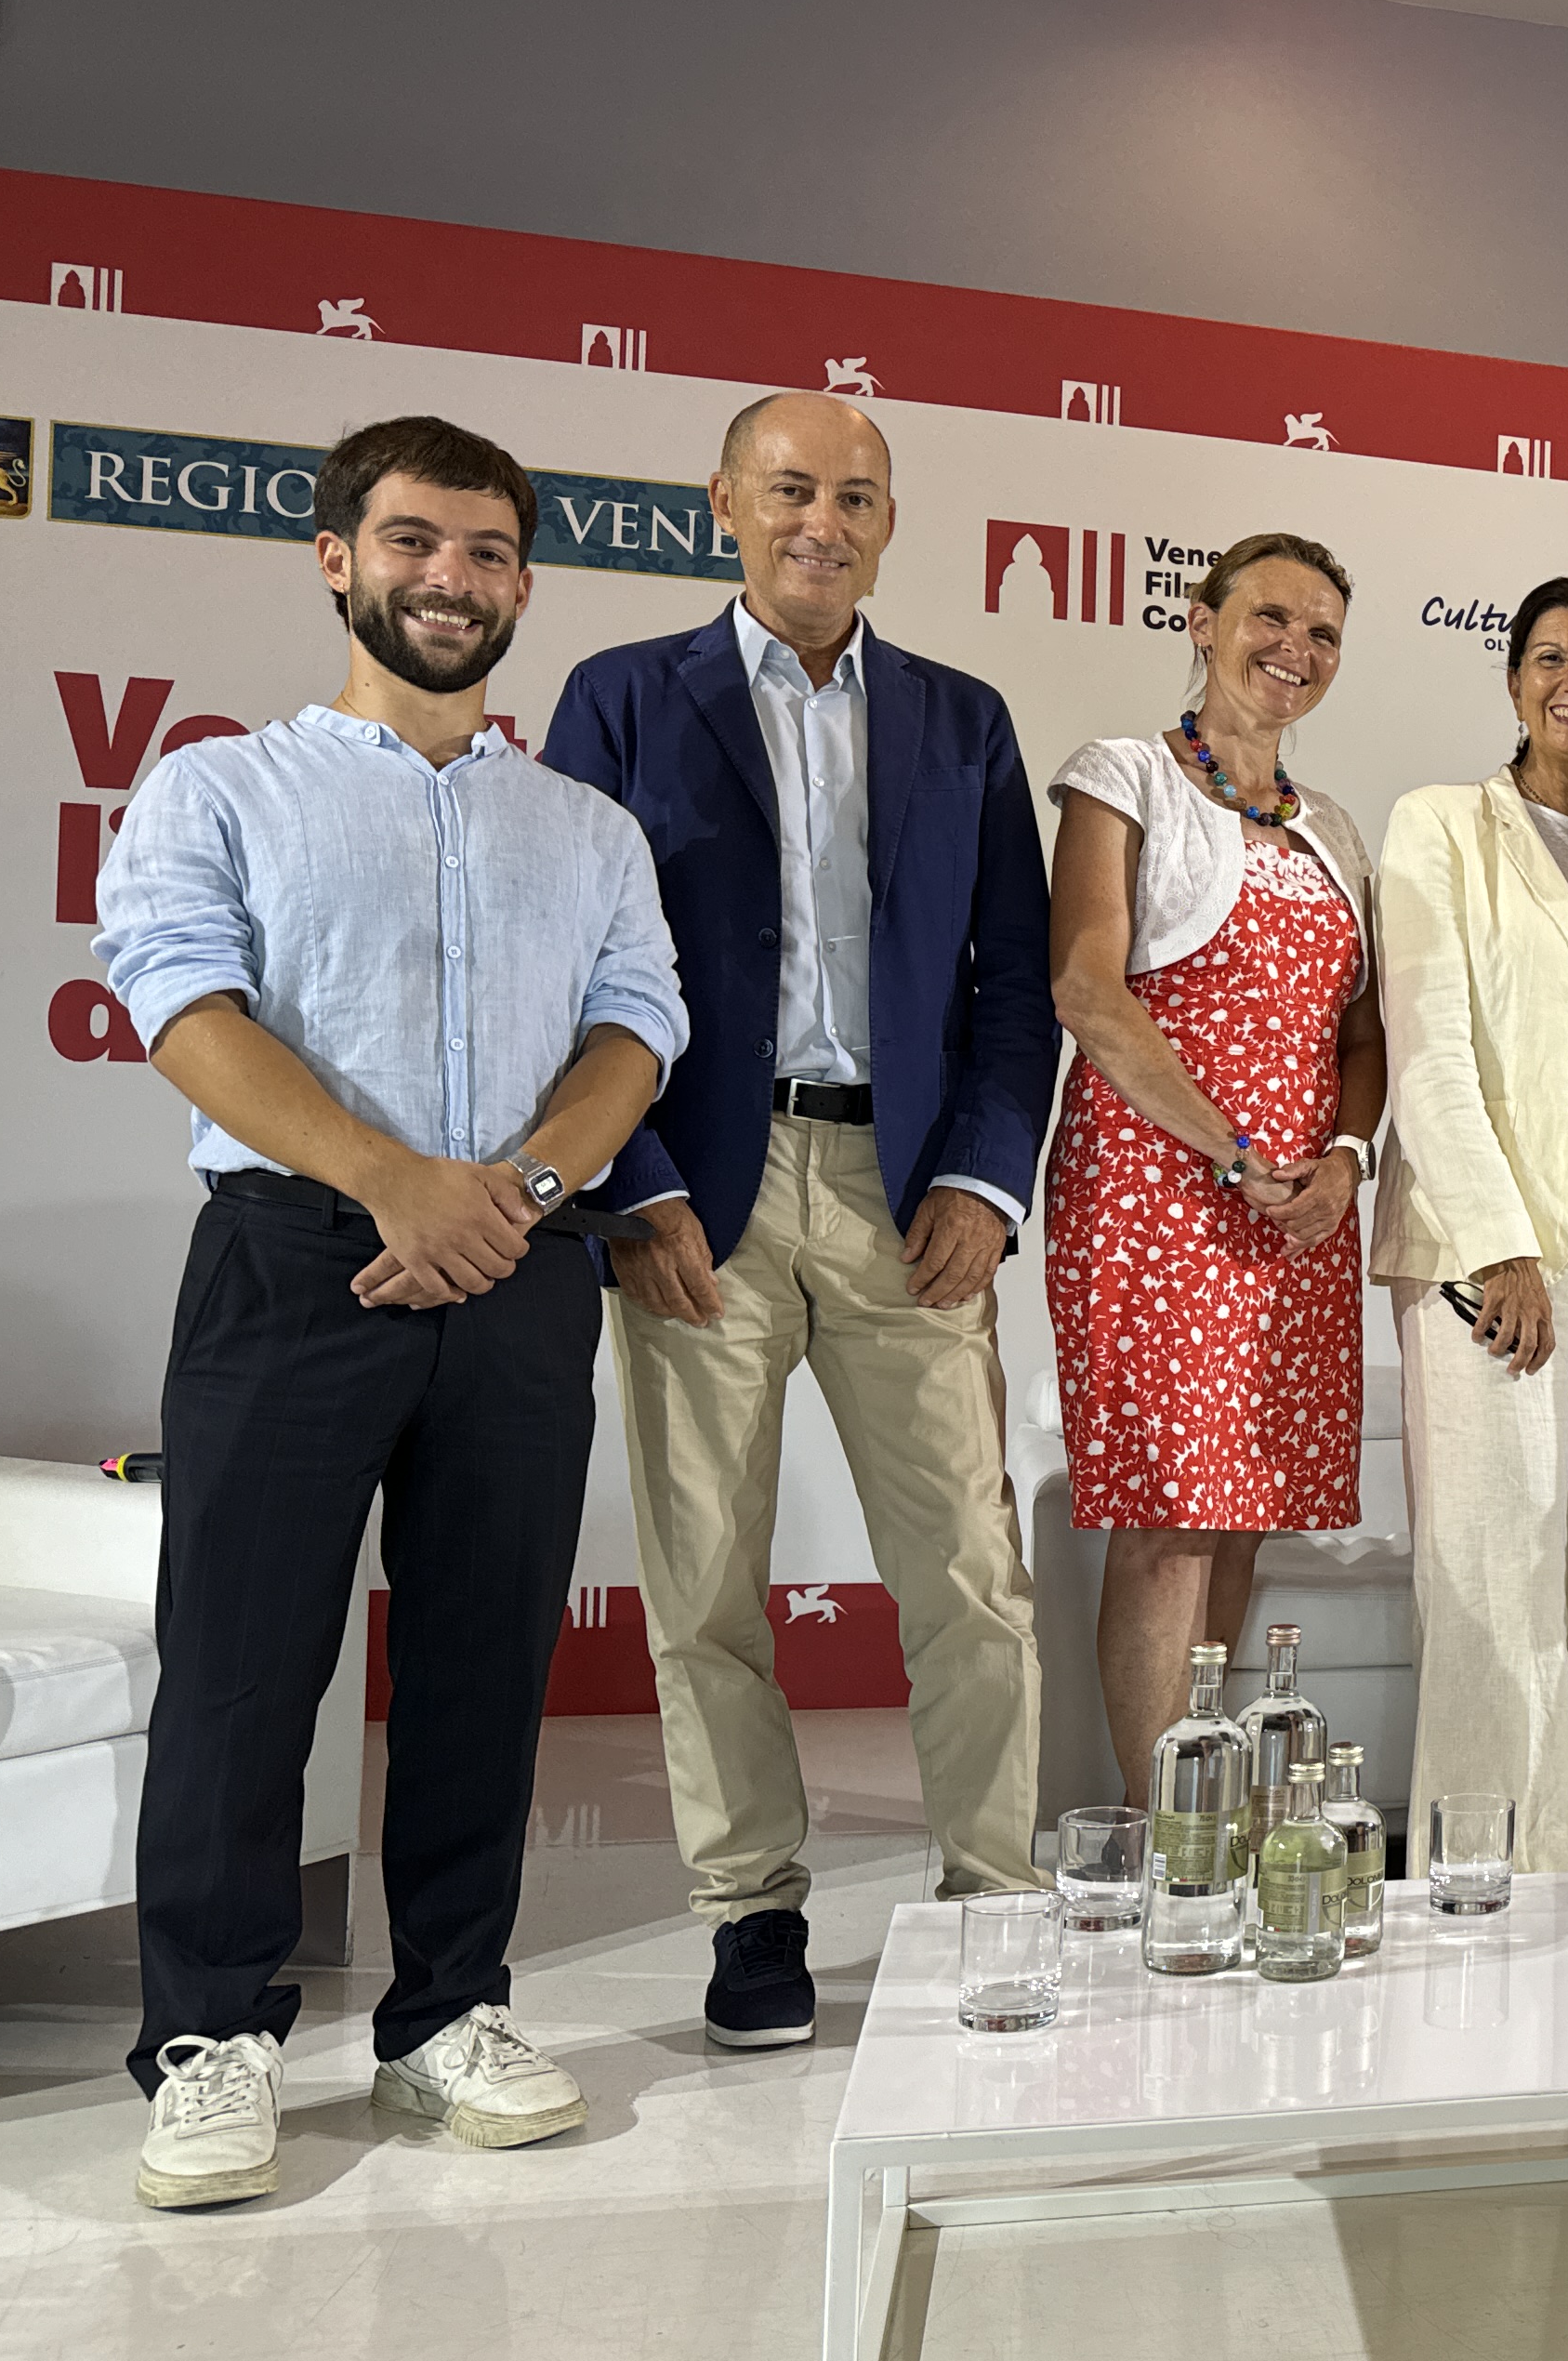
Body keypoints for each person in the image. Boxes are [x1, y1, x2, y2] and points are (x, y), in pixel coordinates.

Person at [95, 415, 689, 2207]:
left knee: (483, 1662)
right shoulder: (218, 788)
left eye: (489, 549)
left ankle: (449, 2009)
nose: (453, 576)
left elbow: (637, 1026)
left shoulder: (585, 826)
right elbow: (186, 1007)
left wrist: (512, 1193)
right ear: (338, 557)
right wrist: (392, 1179)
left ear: (523, 581)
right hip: (294, 1260)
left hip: (520, 1265)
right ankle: (209, 2033)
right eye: (416, 540)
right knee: (242, 1663)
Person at [545, 393, 1060, 2052]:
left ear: (889, 523)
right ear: (723, 503)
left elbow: (1013, 986)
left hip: (910, 1192)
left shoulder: (963, 719)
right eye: (788, 490)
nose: (820, 522)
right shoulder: (622, 697)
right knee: (704, 1575)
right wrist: (630, 1184)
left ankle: (994, 1894)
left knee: (972, 1574)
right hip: (697, 1191)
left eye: (855, 496)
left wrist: (986, 1179)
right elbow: (565, 959)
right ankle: (751, 1907)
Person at [1043, 533, 1384, 1802]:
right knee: (1172, 1522)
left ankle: (1204, 1806)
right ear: (1202, 620)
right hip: (1158, 1192)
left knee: (1243, 1521)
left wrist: (1342, 1158)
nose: (1295, 649)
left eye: (1323, 633)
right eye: (1271, 618)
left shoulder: (1332, 826)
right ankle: (1158, 1834)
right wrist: (1232, 1153)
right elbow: (1088, 989)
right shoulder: (1123, 776)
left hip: (1299, 1213)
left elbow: (1363, 1035)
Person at [1375, 576, 1568, 1875]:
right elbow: (1429, 1048)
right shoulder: (1441, 825)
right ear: (1512, 682)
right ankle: (1474, 1885)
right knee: (1495, 1581)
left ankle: (1563, 1872)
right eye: (1551, 657)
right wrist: (1498, 1243)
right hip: (1490, 1246)